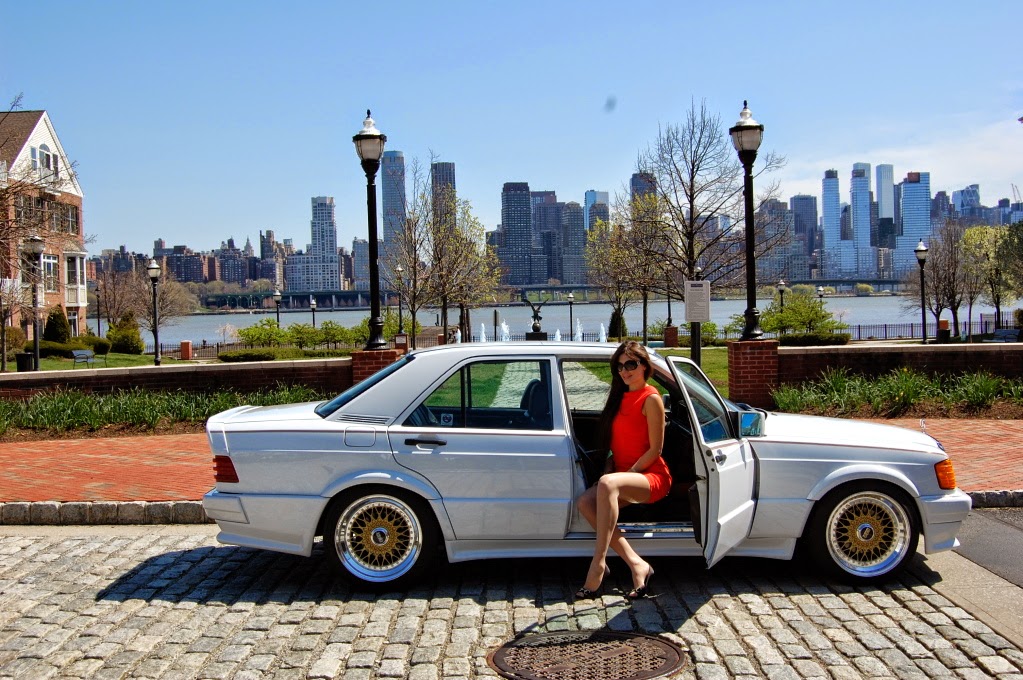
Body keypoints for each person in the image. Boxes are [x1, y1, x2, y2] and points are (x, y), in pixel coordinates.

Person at [575, 341, 671, 600]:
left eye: (630, 364)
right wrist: (610, 468)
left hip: (651, 476)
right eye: (619, 366)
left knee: (608, 484)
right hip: (620, 477)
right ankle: (637, 564)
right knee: (585, 502)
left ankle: (598, 564)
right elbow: (614, 445)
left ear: (644, 365)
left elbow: (656, 451)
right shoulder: (619, 398)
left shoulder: (651, 398)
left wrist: (626, 473)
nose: (624, 370)